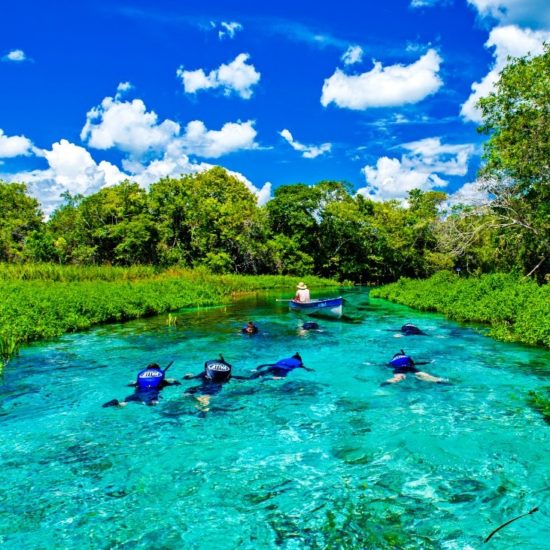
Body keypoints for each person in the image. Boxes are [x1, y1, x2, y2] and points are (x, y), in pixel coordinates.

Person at [183, 355, 250, 411]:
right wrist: (247, 378)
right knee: (206, 395)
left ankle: (200, 407)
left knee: (188, 392)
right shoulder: (225, 376)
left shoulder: (204, 374)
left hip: (206, 385)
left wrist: (190, 377)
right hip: (215, 386)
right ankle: (203, 408)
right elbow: (234, 378)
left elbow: (196, 377)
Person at [102, 362, 180, 407]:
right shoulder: (163, 381)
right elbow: (173, 383)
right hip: (151, 392)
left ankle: (117, 403)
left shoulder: (140, 378)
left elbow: (132, 384)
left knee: (125, 403)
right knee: (154, 404)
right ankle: (117, 404)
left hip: (138, 392)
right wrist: (176, 382)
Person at [381, 350, 447, 385]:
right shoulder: (406, 357)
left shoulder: (392, 361)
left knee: (399, 377)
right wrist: (428, 362)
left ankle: (388, 382)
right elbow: (414, 363)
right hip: (409, 367)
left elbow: (386, 366)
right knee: (423, 375)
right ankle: (438, 380)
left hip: (399, 368)